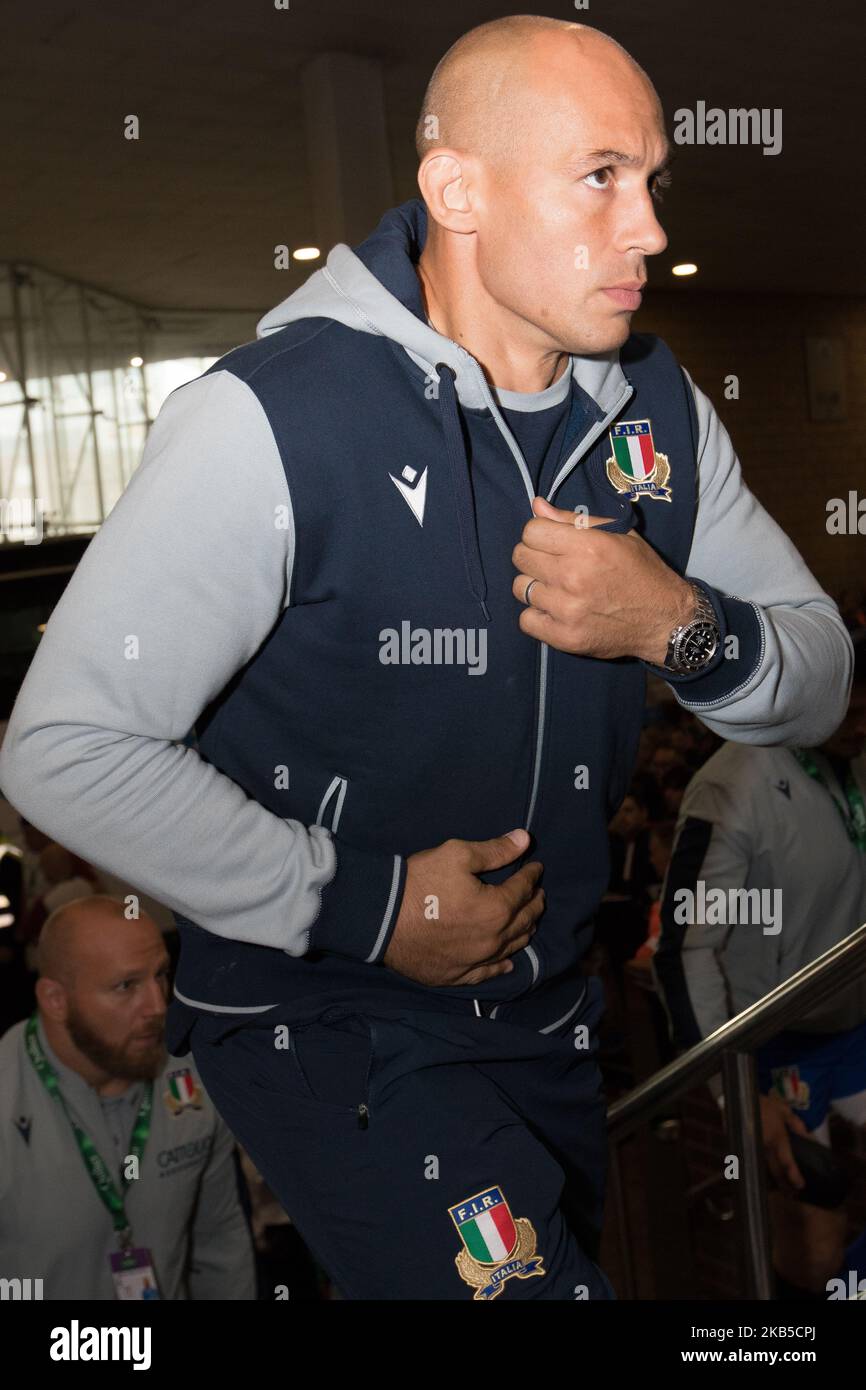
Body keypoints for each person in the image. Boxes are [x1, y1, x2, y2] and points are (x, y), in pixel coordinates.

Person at [0, 16, 853, 1300]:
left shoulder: (654, 410)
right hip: (329, 1020)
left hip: (547, 1012)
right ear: (454, 187)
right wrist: (371, 903)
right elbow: (62, 747)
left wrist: (674, 622)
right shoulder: (272, 416)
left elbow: (821, 672)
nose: (651, 231)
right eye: (600, 176)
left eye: (653, 180)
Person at [652, 642, 866, 1295]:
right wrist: (736, 1096)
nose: (865, 721)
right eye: (855, 708)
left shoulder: (849, 761)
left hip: (854, 1026)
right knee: (814, 1249)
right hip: (773, 1051)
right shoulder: (730, 786)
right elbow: (683, 949)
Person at [0, 896, 256, 1300]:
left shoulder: (193, 1080)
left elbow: (219, 1239)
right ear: (55, 1000)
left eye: (161, 975)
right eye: (126, 986)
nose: (158, 1006)